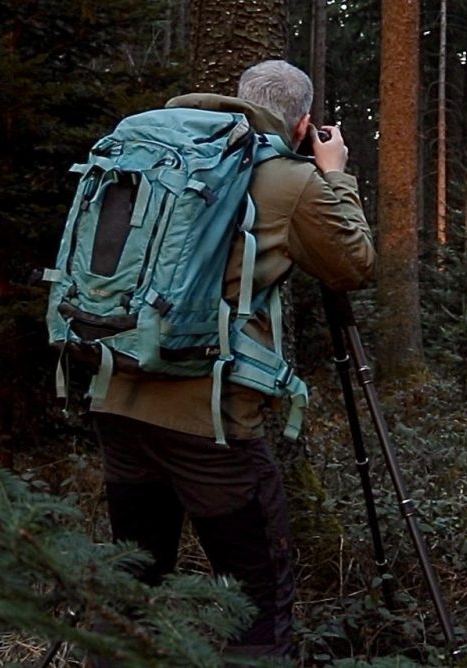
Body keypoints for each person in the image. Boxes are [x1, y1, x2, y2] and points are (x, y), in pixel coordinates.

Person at [89, 59, 374, 661]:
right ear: (301, 124)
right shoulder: (288, 179)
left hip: (118, 395)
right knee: (253, 606)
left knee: (131, 587)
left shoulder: (148, 147)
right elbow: (352, 265)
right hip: (211, 425)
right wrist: (336, 175)